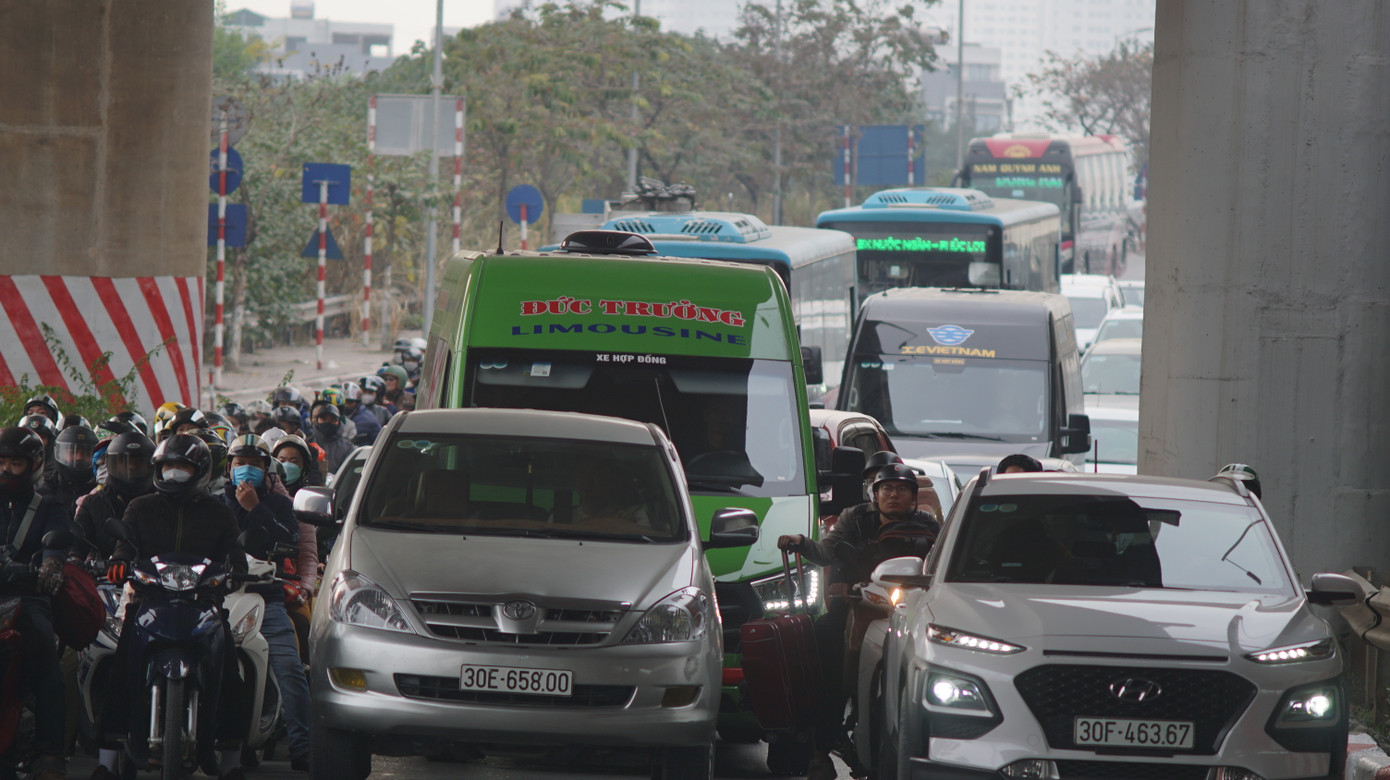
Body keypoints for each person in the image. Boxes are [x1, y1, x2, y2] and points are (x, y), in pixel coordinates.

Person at [96, 434, 246, 780]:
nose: (174, 474)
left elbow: (235, 561)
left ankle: (232, 760)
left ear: (201, 471)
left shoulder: (220, 513)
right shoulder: (140, 508)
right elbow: (124, 547)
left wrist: (234, 574)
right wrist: (119, 564)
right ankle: (106, 761)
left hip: (203, 605)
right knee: (119, 671)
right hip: (149, 603)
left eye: (182, 467)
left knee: (230, 672)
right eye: (168, 467)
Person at [778, 463, 940, 780]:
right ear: (874, 494)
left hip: (913, 609)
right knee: (828, 653)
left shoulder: (929, 525)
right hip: (860, 603)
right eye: (886, 489)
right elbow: (827, 551)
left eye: (901, 489)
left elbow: (943, 563)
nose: (893, 495)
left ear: (913, 497)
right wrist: (801, 542)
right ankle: (820, 751)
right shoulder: (855, 518)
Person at [218, 434, 312, 772]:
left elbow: (289, 540)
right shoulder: (214, 503)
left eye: (254, 465)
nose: (246, 471)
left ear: (266, 469)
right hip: (221, 596)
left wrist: (255, 509)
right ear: (228, 468)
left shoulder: (278, 505)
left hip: (266, 597)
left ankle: (302, 747)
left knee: (289, 667)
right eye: (239, 464)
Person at [0, 427, 72, 780]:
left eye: (15, 463)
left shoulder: (48, 506)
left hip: (25, 595)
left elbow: (56, 547)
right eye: (0, 462)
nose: (6, 470)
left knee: (46, 661)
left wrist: (50, 567)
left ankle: (49, 754)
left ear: (33, 465)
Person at [72, 431, 156, 561]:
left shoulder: (162, 501)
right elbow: (77, 545)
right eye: (124, 461)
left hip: (158, 576)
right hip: (104, 577)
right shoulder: (93, 503)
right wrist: (75, 560)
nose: (132, 466)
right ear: (111, 464)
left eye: (138, 461)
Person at [45, 422, 100, 519]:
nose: (79, 457)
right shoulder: (46, 488)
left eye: (86, 453)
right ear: (59, 453)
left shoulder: (99, 492)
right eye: (72, 452)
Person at [309, 401, 354, 476]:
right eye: (324, 419)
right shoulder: (308, 443)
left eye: (333, 420)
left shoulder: (348, 448)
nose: (328, 422)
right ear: (317, 421)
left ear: (339, 422)